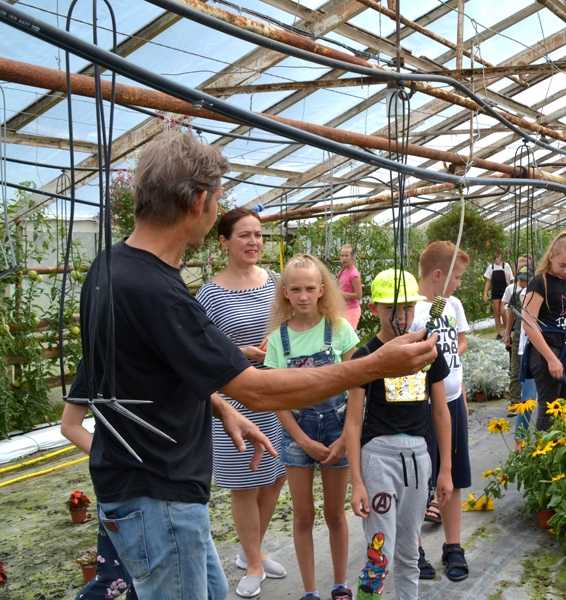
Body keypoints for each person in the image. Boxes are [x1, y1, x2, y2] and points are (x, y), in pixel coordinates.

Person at [66, 132, 438, 600]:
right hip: (158, 497)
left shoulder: (110, 266)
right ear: (200, 201)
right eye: (218, 199)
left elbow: (143, 369)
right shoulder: (160, 293)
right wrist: (374, 366)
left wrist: (222, 410)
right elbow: (257, 389)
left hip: (143, 488)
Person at [196, 207, 288, 598]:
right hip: (235, 400)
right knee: (244, 482)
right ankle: (252, 561)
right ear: (224, 242)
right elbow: (197, 351)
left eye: (259, 235)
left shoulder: (278, 283)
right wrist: (241, 353)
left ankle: (254, 548)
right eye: (244, 235)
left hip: (279, 393)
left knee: (277, 473)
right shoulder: (209, 294)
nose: (254, 242)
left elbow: (296, 326)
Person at [345, 269, 454, 600]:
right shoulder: (365, 357)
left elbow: (440, 411)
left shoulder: (426, 351)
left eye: (407, 307)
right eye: (392, 307)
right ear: (374, 307)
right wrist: (358, 481)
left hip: (418, 461)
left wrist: (445, 469)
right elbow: (353, 421)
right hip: (378, 460)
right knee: (379, 553)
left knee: (409, 554)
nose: (400, 315)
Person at [264, 255, 359, 600]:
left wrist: (347, 438)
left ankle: (339, 584)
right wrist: (302, 440)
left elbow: (356, 386)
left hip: (337, 431)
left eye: (309, 288)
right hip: (296, 433)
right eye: (296, 289)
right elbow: (277, 399)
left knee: (335, 513)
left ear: (322, 290)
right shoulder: (278, 339)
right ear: (285, 293)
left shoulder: (340, 329)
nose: (303, 296)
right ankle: (309, 590)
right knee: (303, 514)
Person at [410, 241, 471, 582]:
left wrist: (459, 394)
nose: (459, 284)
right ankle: (414, 547)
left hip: (451, 403)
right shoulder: (411, 311)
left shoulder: (452, 304)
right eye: (457, 277)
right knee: (421, 479)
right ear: (438, 274)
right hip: (421, 407)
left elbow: (456, 348)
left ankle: (453, 545)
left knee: (453, 475)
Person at [60, 400, 137, 600]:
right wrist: (113, 460)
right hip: (122, 486)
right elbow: (70, 425)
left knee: (148, 574)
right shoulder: (97, 368)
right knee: (115, 577)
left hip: (165, 484)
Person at [520, 232, 566, 431]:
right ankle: (543, 458)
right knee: (549, 408)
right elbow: (528, 322)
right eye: (563, 265)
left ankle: (564, 454)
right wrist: (551, 358)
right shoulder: (539, 282)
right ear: (551, 256)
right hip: (547, 350)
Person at [502, 266, 531, 415]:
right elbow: (511, 315)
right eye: (520, 280)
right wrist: (507, 334)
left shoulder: (536, 295)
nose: (523, 283)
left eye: (526, 280)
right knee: (515, 369)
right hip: (518, 335)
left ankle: (530, 400)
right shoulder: (515, 295)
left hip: (533, 336)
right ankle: (515, 401)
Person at [483, 253, 512, 340]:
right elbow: (488, 281)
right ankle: (499, 333)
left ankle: (508, 331)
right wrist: (485, 293)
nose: (495, 259)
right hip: (495, 291)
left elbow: (512, 280)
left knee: (503, 311)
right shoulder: (490, 267)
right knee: (497, 312)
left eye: (497, 257)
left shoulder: (506, 266)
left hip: (505, 291)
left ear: (501, 256)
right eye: (494, 257)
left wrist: (512, 293)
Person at [337, 244, 363, 330]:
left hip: (352, 310)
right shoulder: (341, 272)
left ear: (352, 257)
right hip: (342, 309)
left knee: (350, 337)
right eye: (342, 255)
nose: (344, 258)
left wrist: (342, 294)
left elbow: (359, 295)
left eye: (346, 255)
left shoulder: (354, 274)